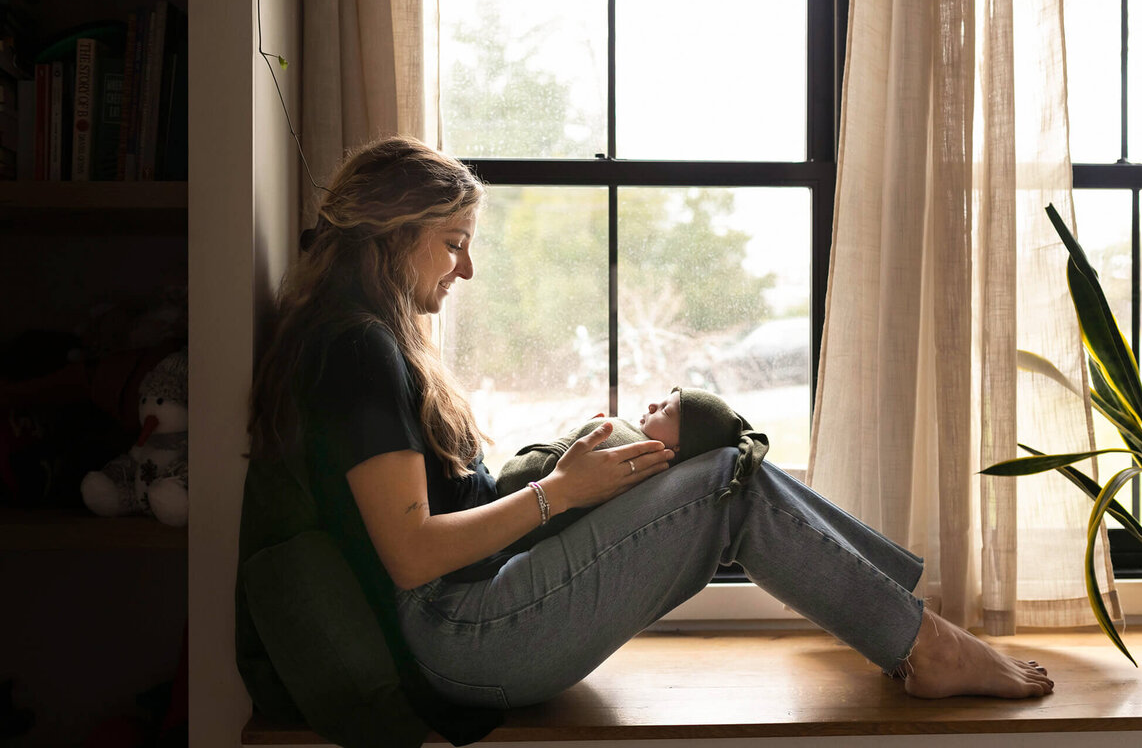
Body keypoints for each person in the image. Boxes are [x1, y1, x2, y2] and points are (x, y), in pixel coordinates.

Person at [246, 136, 1053, 740]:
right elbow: (413, 553)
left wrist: (571, 472)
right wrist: (561, 491)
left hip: (473, 616)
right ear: (393, 234)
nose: (466, 271)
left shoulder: (352, 338)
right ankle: (924, 642)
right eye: (453, 242)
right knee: (727, 485)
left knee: (722, 462)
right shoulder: (355, 350)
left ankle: (912, 623)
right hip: (461, 641)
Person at [493, 386, 768, 498]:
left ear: (680, 447)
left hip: (515, 490)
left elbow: (509, 481)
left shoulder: (638, 458)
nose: (651, 405)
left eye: (666, 410)